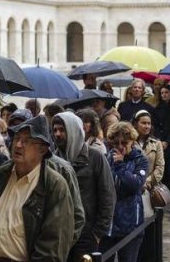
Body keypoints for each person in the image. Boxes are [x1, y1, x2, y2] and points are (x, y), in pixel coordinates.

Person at [0, 115, 75, 262]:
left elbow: (53, 246)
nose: (18, 145)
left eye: (26, 141)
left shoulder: (54, 186)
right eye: (16, 139)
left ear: (42, 150)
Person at [52, 112, 115, 262]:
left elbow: (107, 195)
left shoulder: (95, 157)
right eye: (54, 130)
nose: (57, 134)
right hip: (59, 234)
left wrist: (98, 233)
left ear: (73, 130)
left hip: (87, 234)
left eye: (62, 130)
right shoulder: (53, 160)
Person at [101, 122, 148, 262]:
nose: (120, 147)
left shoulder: (140, 160)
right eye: (116, 143)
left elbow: (135, 185)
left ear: (132, 142)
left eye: (124, 143)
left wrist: (120, 166)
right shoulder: (106, 158)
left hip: (130, 223)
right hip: (109, 224)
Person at [133, 110, 164, 262]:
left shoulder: (155, 143)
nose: (146, 126)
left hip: (149, 190)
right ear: (136, 124)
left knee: (150, 227)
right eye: (143, 123)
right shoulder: (130, 142)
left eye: (148, 123)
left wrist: (148, 181)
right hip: (134, 188)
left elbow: (160, 167)